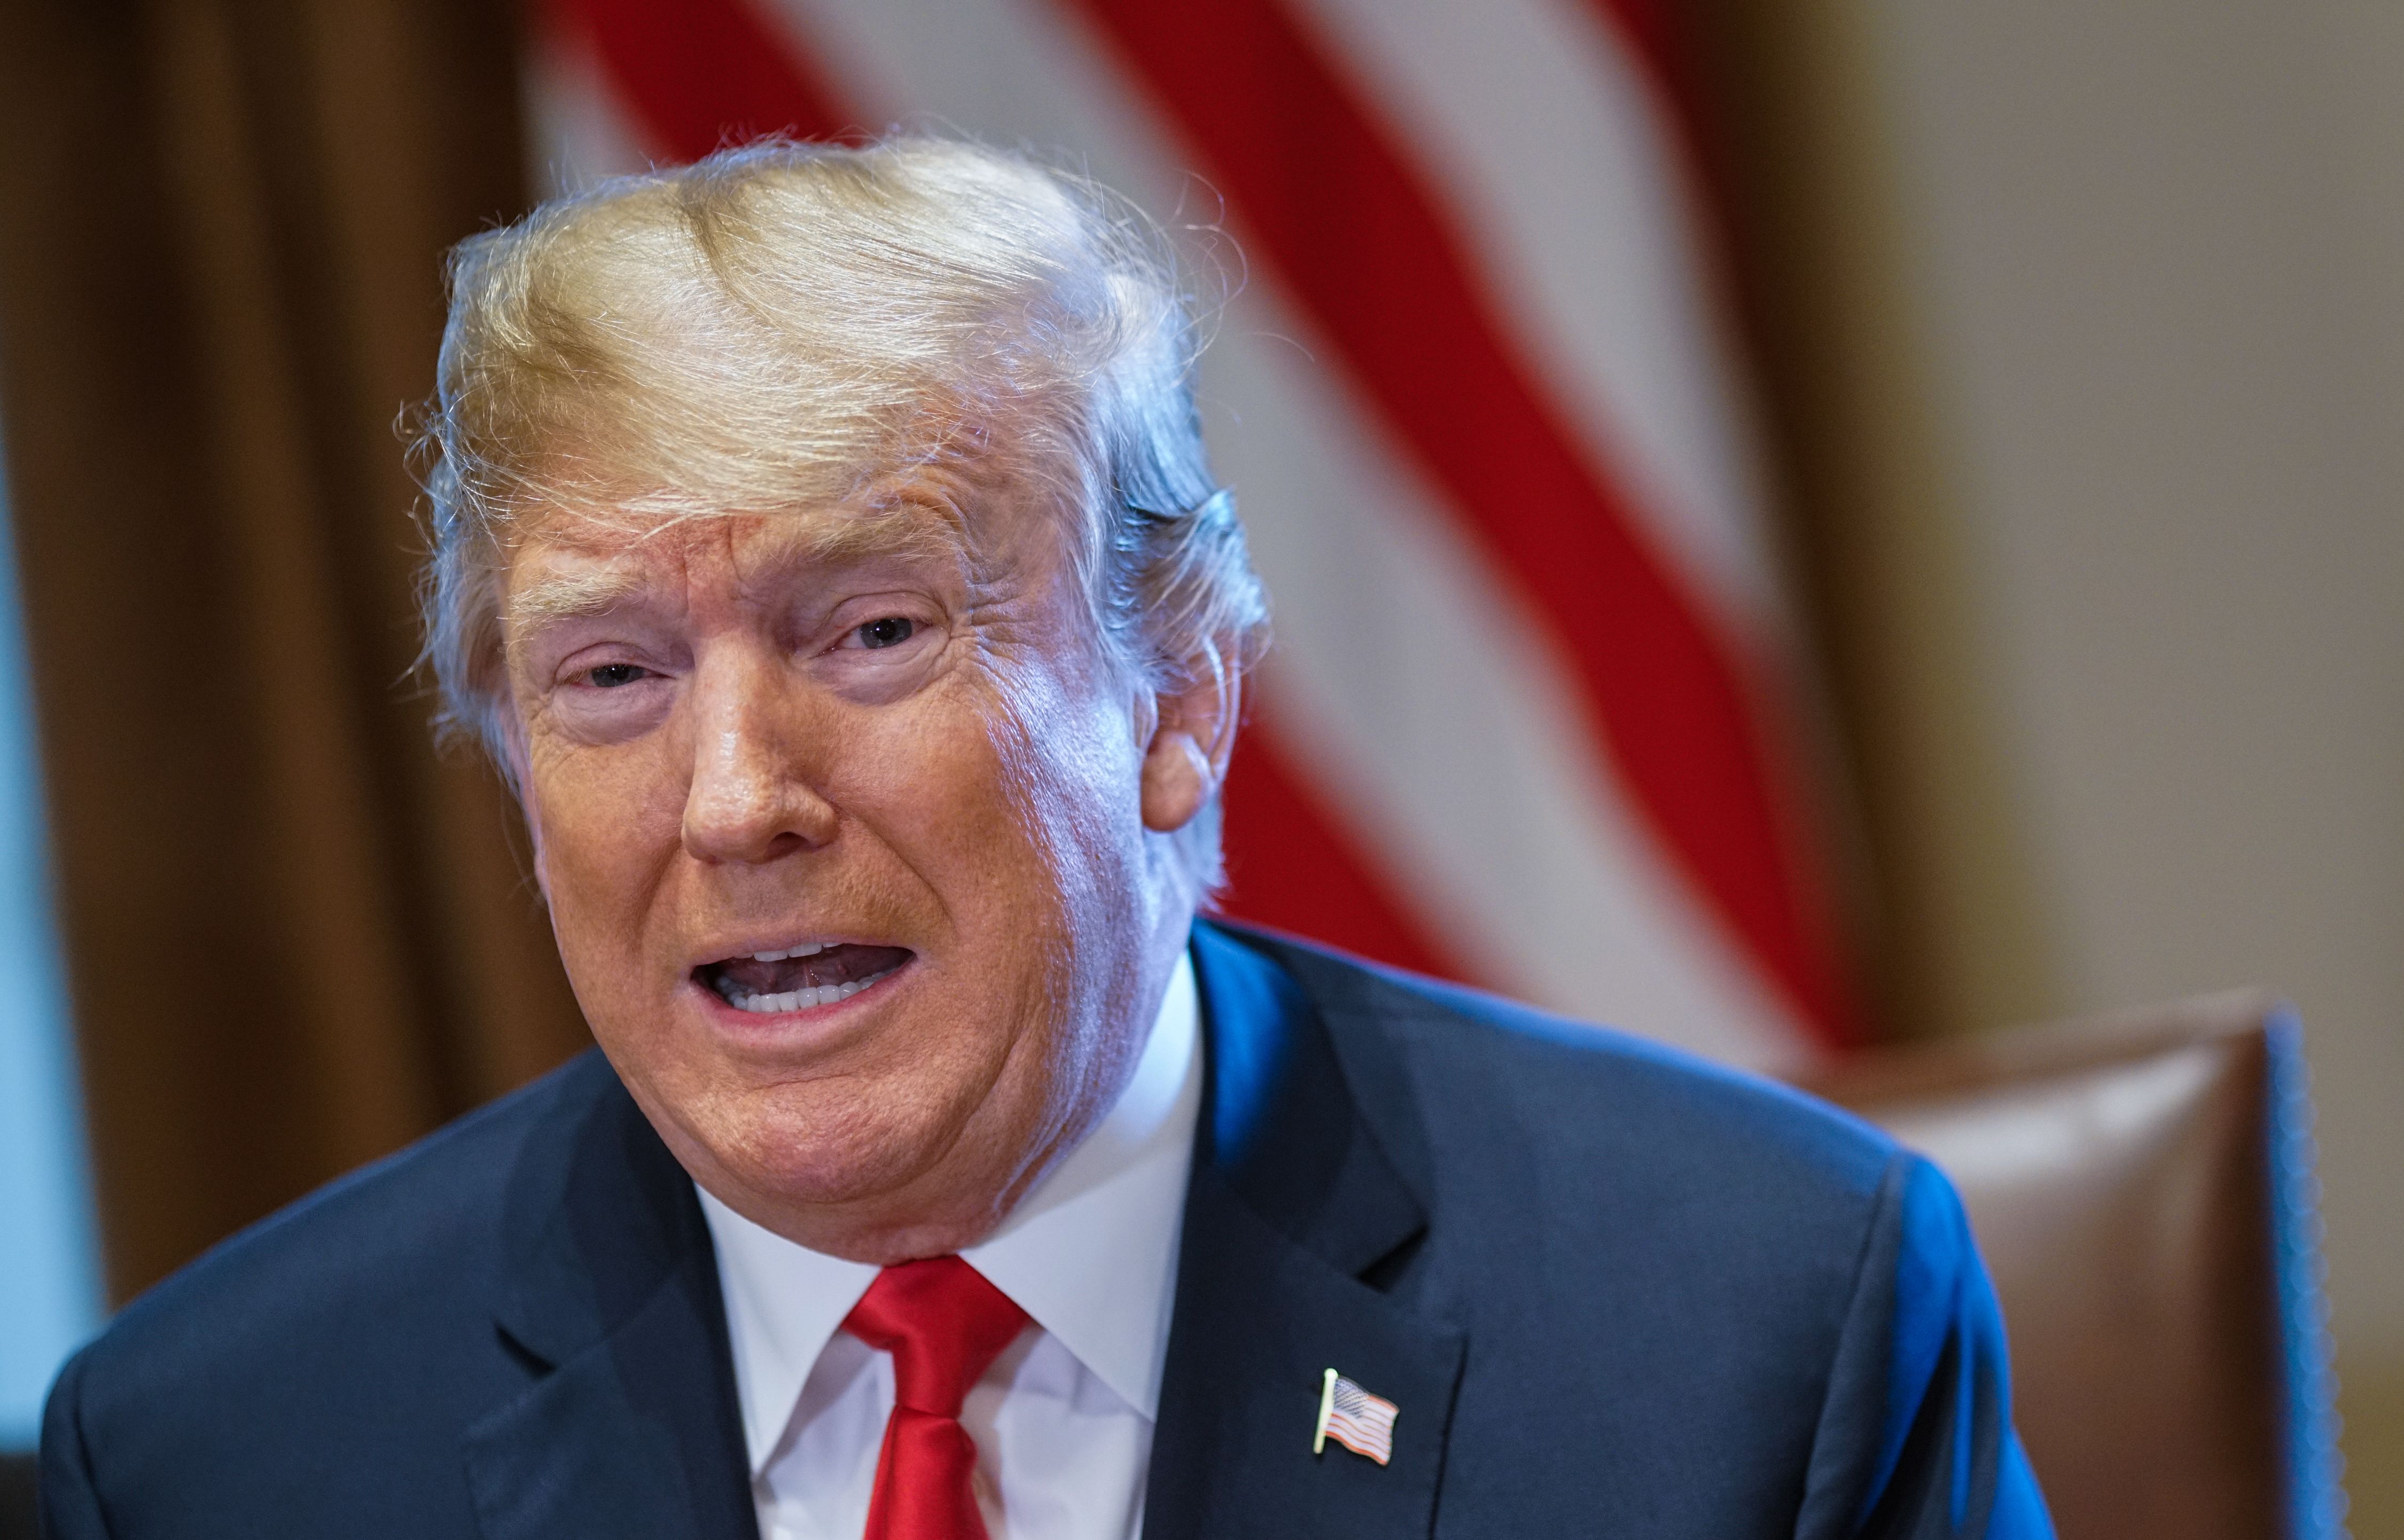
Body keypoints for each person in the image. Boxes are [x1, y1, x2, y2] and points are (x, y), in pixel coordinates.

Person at [38, 138, 2051, 1539]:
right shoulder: (224, 1458)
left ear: (1180, 693)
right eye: (611, 677)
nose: (736, 797)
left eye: (875, 630)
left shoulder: (1743, 1332)